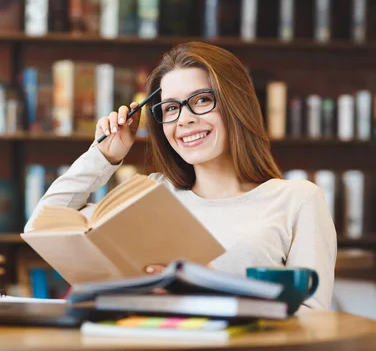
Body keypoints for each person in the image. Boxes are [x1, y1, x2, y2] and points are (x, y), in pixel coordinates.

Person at [24, 41, 337, 310]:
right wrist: (104, 154)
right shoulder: (152, 195)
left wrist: (205, 292)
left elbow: (313, 318)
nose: (184, 120)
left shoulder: (297, 200)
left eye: (201, 100)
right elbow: (42, 224)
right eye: (170, 108)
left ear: (235, 104)